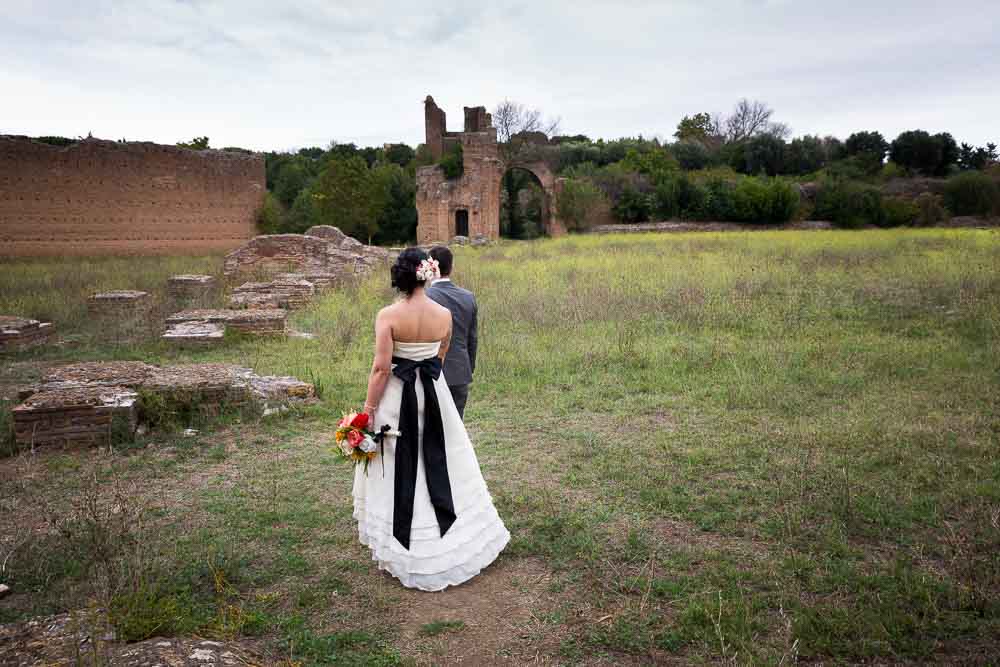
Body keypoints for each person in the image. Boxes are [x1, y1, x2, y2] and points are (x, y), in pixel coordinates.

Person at [353, 247, 509, 591]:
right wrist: (428, 372)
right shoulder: (443, 314)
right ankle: (454, 535)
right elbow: (441, 352)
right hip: (434, 393)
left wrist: (369, 410)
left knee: (399, 460)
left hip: (397, 395)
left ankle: (407, 543)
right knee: (442, 454)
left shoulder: (388, 315)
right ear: (428, 273)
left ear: (400, 276)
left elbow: (381, 368)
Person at [425, 246, 478, 419]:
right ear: (451, 267)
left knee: (433, 428)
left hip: (431, 373)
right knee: (457, 427)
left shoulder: (425, 297)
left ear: (431, 267)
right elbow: (472, 339)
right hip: (460, 370)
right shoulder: (468, 297)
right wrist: (468, 367)